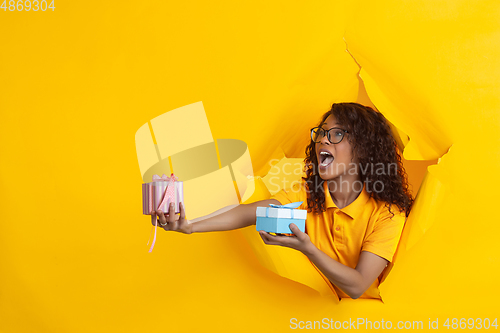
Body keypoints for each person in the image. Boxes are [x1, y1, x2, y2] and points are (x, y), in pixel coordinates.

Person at [152, 102, 414, 300]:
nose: (323, 139)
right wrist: (190, 225)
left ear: (364, 149)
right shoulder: (306, 195)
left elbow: (357, 286)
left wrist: (307, 248)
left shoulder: (388, 213)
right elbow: (245, 213)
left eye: (337, 134)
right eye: (321, 133)